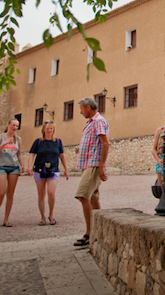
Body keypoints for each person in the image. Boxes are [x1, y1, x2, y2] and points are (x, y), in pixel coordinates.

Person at [74, 97, 109, 246]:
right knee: (94, 199)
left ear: (88, 108)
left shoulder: (98, 121)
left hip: (93, 165)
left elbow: (105, 143)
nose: (80, 112)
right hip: (87, 164)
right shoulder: (91, 123)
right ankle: (99, 231)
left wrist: (101, 166)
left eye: (81, 109)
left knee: (82, 195)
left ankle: (89, 233)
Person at [27, 121, 69, 226]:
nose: (49, 130)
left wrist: (66, 169)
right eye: (47, 128)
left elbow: (62, 156)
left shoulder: (58, 142)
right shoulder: (38, 142)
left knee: (51, 193)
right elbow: (32, 154)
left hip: (53, 170)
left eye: (51, 128)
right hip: (39, 169)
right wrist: (29, 167)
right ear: (44, 130)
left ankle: (51, 215)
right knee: (41, 195)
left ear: (53, 130)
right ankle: (42, 217)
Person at [0, 118, 23, 227]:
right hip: (1, 166)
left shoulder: (18, 139)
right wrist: (5, 144)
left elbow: (19, 154)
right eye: (13, 125)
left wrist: (22, 165)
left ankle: (6, 219)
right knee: (1, 192)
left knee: (10, 194)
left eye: (17, 126)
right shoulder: (0, 136)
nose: (15, 127)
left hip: (14, 167)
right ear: (8, 125)